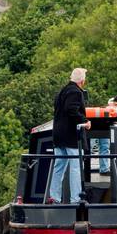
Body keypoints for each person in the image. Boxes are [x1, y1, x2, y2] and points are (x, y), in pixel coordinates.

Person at [49, 67, 90, 203]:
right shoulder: (75, 92)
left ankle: (54, 197)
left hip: (58, 136)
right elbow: (71, 110)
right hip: (71, 137)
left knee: (59, 166)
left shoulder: (62, 91)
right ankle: (76, 199)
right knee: (76, 167)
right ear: (82, 81)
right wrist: (85, 121)